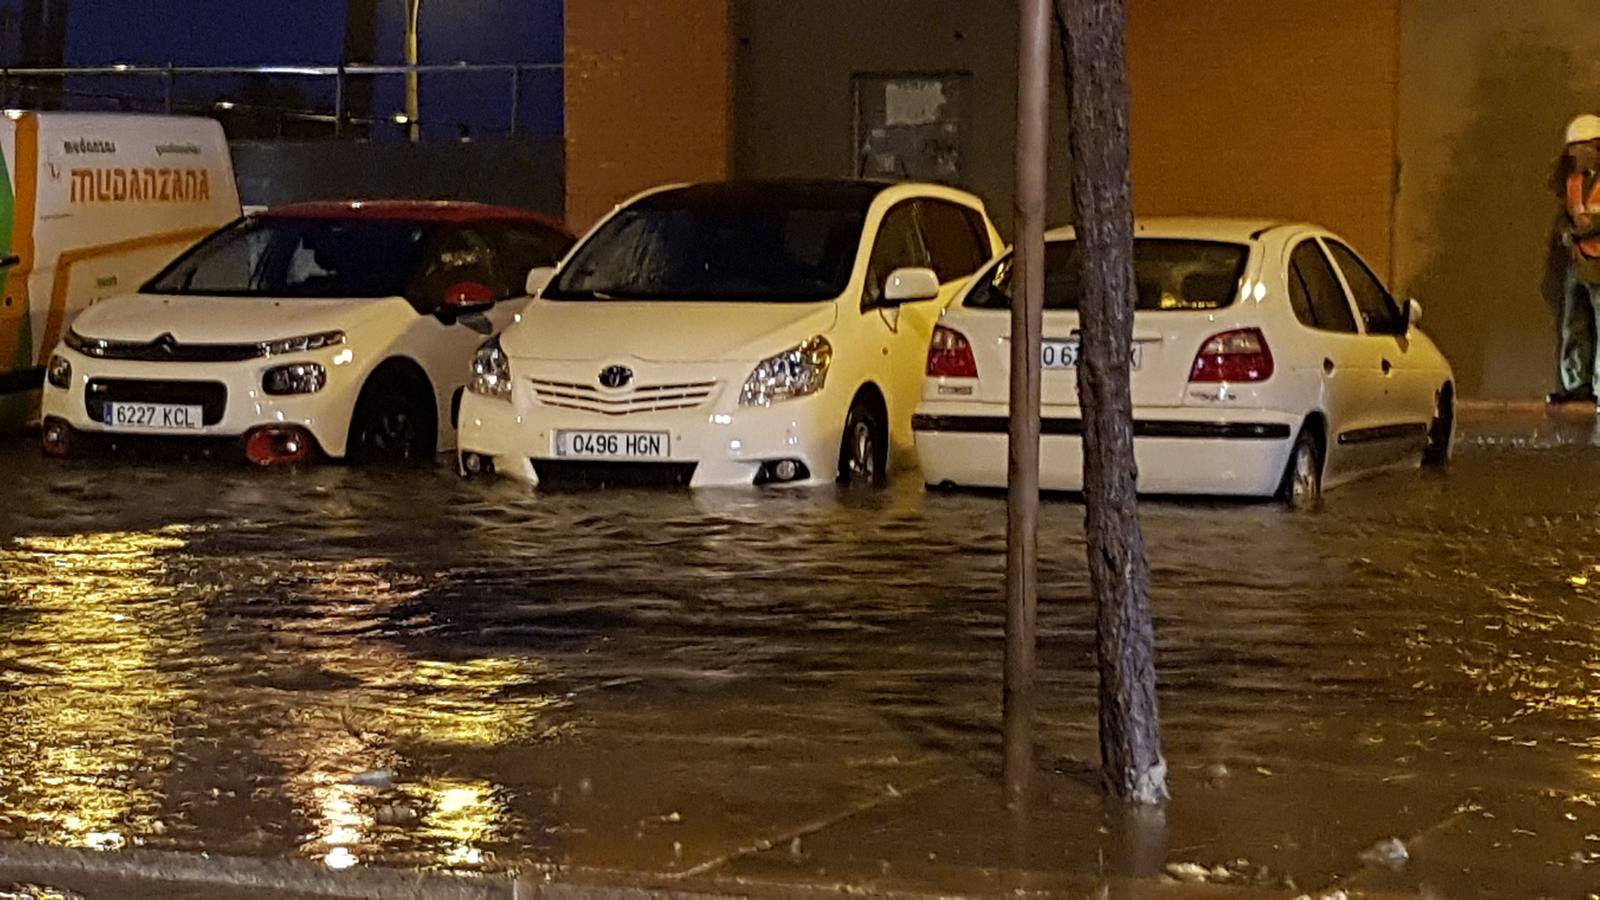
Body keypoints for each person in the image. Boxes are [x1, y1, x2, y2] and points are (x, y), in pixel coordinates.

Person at [1554, 114, 1600, 403]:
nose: (1575, 154)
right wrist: (1567, 233)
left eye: (1580, 148)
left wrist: (1583, 227)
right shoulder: (1574, 181)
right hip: (1578, 263)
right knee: (1575, 326)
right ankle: (1575, 385)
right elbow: (1567, 215)